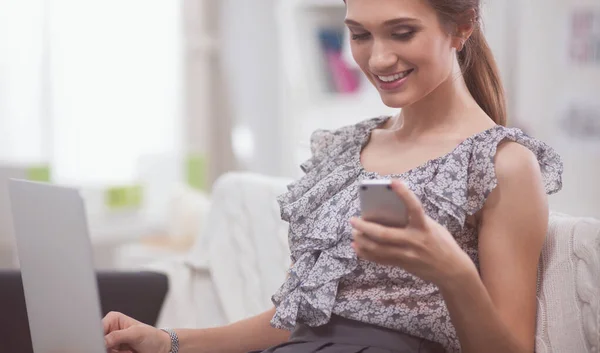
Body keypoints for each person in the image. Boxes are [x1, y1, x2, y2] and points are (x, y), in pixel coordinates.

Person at [103, 0, 563, 352]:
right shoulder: (342, 151)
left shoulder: (503, 164)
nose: (379, 59)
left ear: (462, 26)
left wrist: (453, 272)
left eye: (402, 33)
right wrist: (171, 341)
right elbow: (296, 318)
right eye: (360, 35)